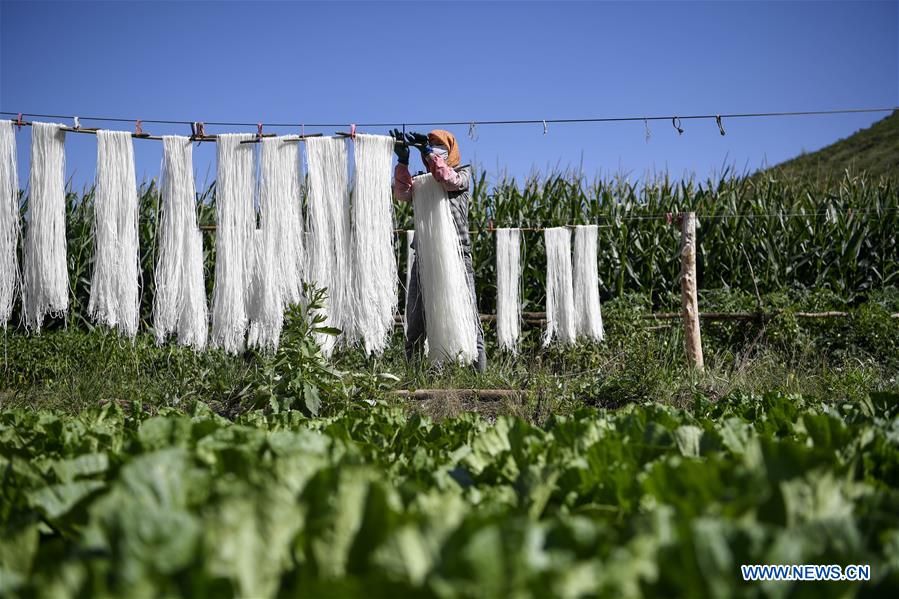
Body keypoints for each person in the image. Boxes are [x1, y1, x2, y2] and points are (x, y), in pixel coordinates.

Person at [391, 129, 486, 373]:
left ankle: (478, 376)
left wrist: (428, 154)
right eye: (430, 143)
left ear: (450, 149)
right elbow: (402, 194)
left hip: (457, 255)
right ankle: (414, 376)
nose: (433, 147)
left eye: (438, 145)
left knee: (467, 312)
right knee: (416, 319)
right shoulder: (422, 181)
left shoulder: (462, 174)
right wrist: (402, 162)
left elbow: (447, 179)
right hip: (425, 257)